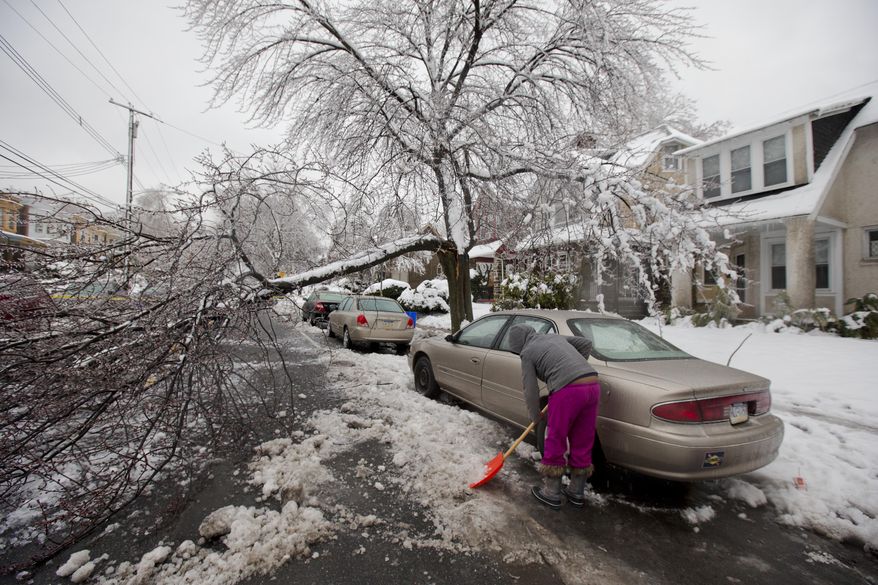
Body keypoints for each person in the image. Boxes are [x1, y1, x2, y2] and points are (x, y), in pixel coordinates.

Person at [507, 324, 600, 510]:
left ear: (518, 345)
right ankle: (576, 492)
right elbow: (585, 344)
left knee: (555, 439)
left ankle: (551, 493)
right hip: (592, 384)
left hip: (568, 392)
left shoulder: (527, 352)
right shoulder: (554, 338)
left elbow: (530, 390)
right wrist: (573, 368)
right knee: (583, 438)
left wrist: (535, 417)